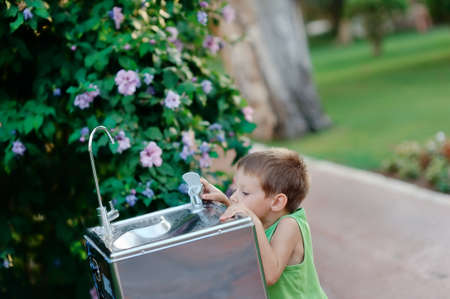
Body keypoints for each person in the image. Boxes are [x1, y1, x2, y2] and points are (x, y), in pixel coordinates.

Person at [200, 148, 327, 299]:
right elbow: (245, 219)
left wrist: (253, 220)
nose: (234, 197)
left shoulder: (289, 225)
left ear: (277, 202)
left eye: (245, 193)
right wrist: (225, 203)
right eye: (235, 189)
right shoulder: (264, 216)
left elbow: (269, 276)